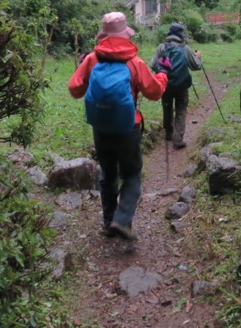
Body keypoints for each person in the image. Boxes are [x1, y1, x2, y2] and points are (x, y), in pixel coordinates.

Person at [68, 12, 168, 240]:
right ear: (126, 35)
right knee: (132, 174)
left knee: (108, 173)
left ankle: (108, 221)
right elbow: (154, 92)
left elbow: (74, 89)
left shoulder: (93, 60)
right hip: (128, 127)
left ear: (103, 35)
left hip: (101, 127)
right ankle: (122, 221)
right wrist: (163, 76)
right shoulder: (134, 62)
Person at [150, 23, 202, 150]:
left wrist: (162, 74)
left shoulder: (162, 47)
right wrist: (198, 57)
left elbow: (152, 64)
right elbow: (196, 66)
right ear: (181, 35)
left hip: (165, 84)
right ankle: (178, 139)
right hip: (181, 86)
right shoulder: (185, 48)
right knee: (181, 110)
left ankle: (168, 133)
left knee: (167, 108)